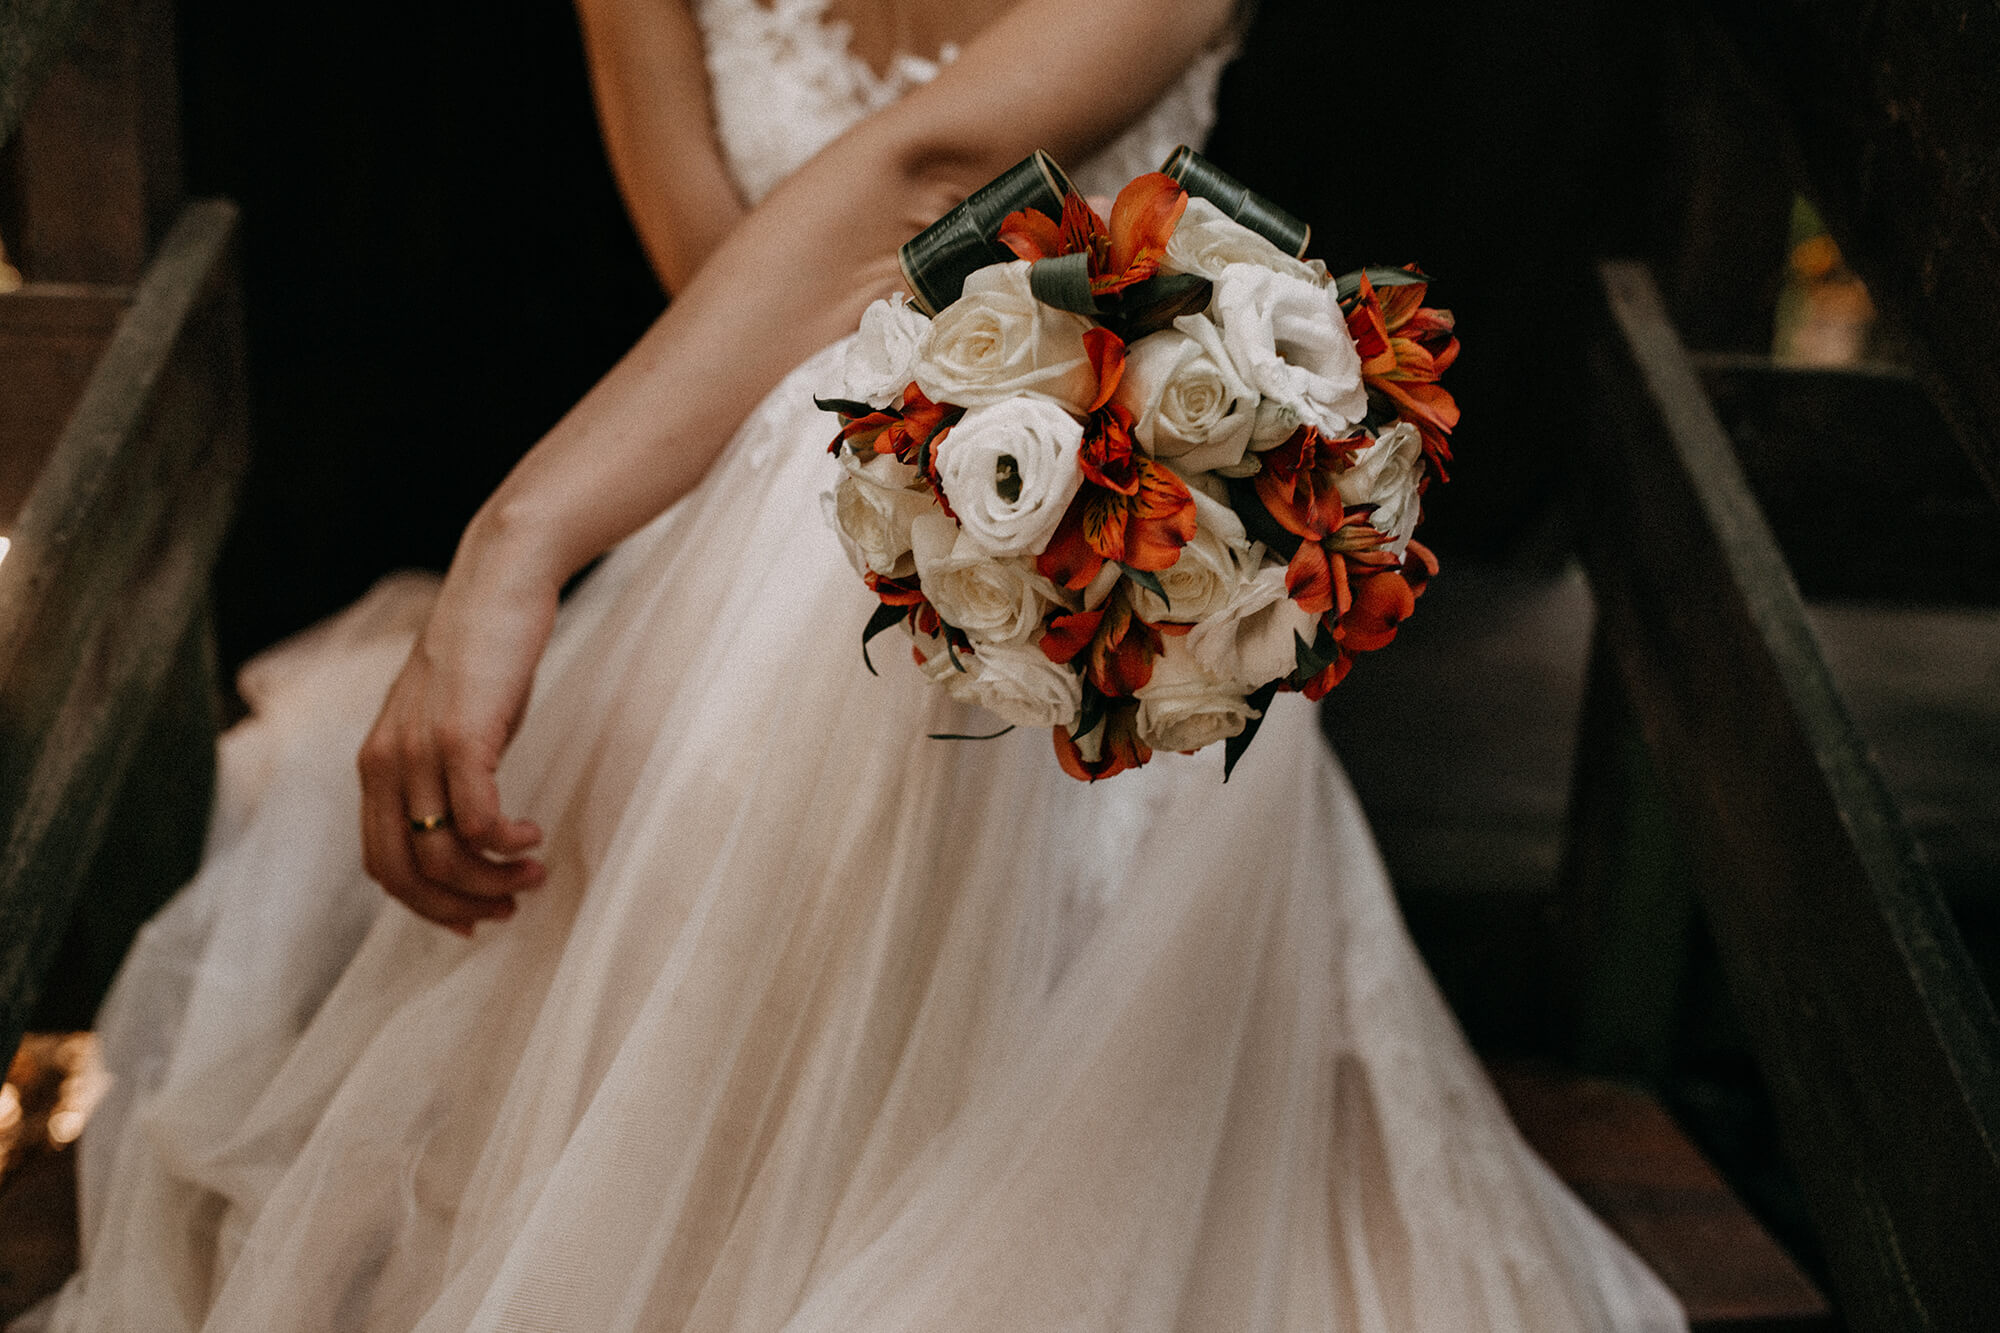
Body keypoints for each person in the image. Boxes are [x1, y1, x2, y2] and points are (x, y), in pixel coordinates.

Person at [22, 0, 1687, 1328]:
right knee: (831, 522)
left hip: (1095, 615)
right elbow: (721, 290)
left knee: (931, 548)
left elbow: (920, 178)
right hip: (762, 509)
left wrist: (514, 543)